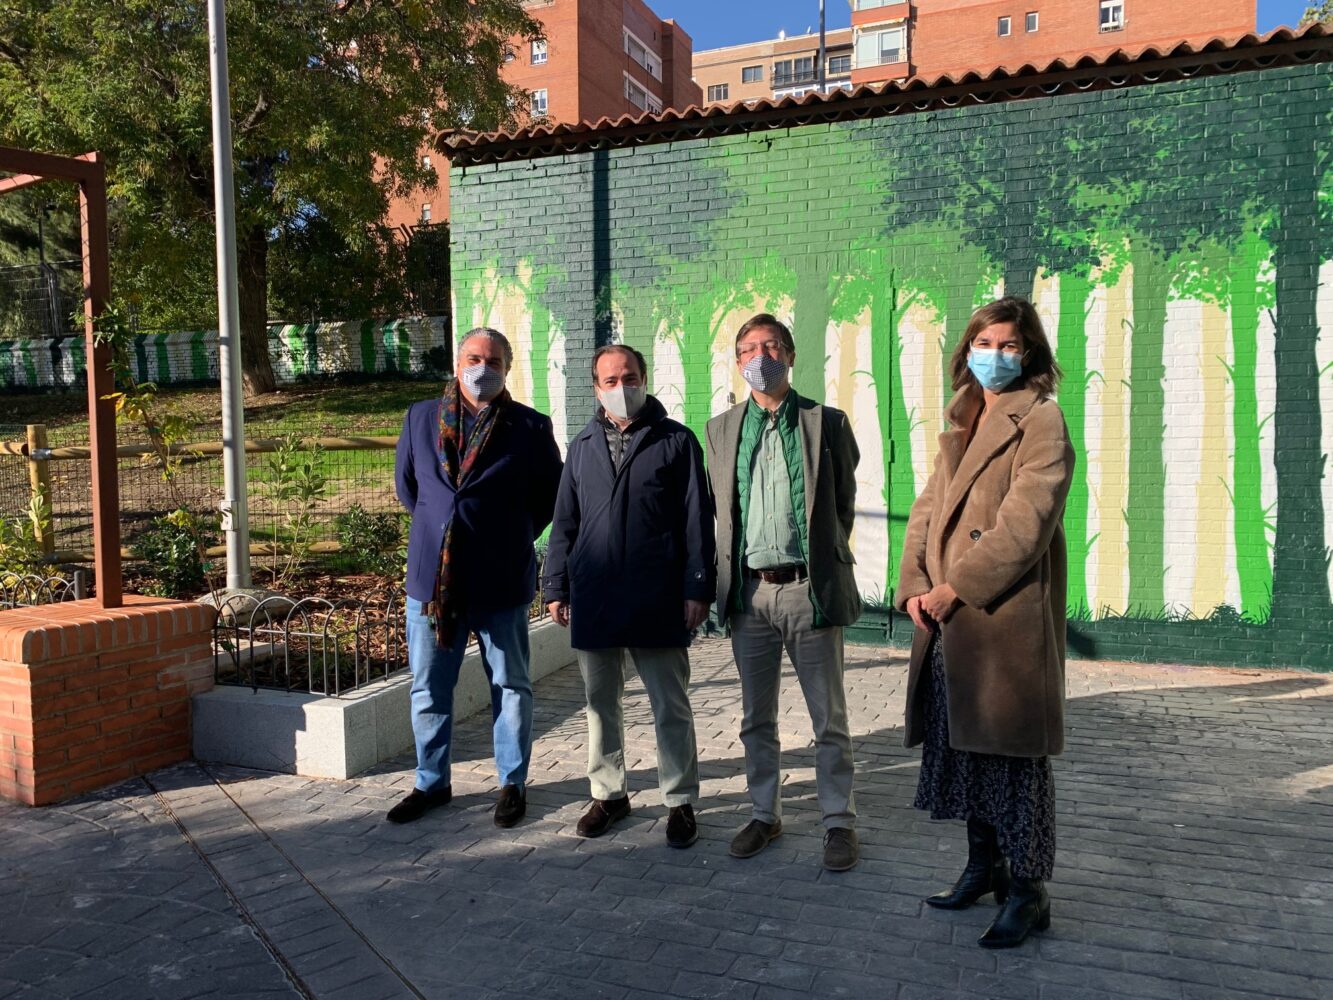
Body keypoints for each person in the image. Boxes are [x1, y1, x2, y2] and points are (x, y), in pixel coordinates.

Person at [895, 296, 1075, 948]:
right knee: (966, 751)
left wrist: (956, 589)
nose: (994, 355)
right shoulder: (964, 416)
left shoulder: (1041, 419)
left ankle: (1028, 891)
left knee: (1014, 762)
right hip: (949, 621)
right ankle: (983, 868)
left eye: (1008, 345)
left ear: (1028, 354)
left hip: (1000, 621)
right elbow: (928, 508)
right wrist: (914, 583)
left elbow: (1025, 525)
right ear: (967, 349)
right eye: (983, 343)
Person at [705, 313, 862, 872]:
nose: (760, 357)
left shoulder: (827, 423)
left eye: (771, 346)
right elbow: (721, 508)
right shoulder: (721, 429)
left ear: (790, 356)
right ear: (737, 361)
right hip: (749, 594)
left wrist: (822, 562)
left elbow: (842, 505)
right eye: (748, 348)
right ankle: (763, 814)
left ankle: (838, 822)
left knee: (829, 718)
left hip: (807, 589)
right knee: (756, 718)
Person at [388, 327, 563, 827]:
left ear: (507, 369)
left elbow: (548, 498)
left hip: (500, 578)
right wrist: (444, 529)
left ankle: (512, 783)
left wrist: (506, 534)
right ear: (457, 363)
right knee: (428, 687)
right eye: (473, 359)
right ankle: (431, 782)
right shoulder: (420, 417)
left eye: (493, 362)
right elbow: (409, 488)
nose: (482, 369)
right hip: (433, 580)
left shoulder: (530, 426)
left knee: (510, 684)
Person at [542, 345, 715, 848]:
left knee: (670, 705)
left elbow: (697, 519)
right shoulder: (582, 446)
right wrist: (555, 584)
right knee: (600, 704)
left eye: (630, 377)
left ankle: (679, 800)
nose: (622, 388)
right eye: (611, 380)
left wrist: (697, 587)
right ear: (596, 388)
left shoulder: (676, 441)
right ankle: (609, 794)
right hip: (594, 595)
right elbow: (564, 522)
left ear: (644, 378)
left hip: (657, 595)